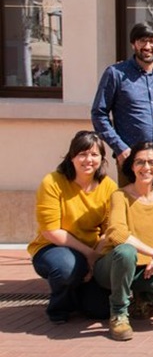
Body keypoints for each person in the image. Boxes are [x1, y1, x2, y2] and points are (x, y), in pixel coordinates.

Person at [93, 142, 153, 341]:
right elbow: (117, 234)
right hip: (114, 265)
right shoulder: (120, 196)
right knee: (126, 251)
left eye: (152, 162)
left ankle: (140, 298)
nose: (146, 167)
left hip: (145, 269)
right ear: (132, 166)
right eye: (140, 162)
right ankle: (118, 313)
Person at [28, 131, 117, 324]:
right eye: (82, 154)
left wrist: (95, 258)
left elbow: (110, 229)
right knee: (67, 268)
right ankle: (59, 308)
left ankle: (77, 293)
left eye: (94, 154)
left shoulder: (108, 186)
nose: (88, 160)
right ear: (71, 157)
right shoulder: (52, 182)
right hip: (53, 247)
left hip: (93, 249)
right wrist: (89, 256)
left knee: (100, 310)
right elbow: (51, 231)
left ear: (102, 158)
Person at [92, 22, 153, 188]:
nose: (147, 46)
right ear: (133, 43)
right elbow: (98, 114)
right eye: (142, 40)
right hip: (131, 158)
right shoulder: (115, 74)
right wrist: (119, 148)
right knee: (130, 209)